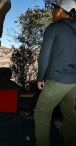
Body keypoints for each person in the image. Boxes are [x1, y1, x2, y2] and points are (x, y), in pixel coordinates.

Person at [34, 0, 76, 146]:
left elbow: (44, 56)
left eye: (54, 8)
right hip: (74, 83)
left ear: (60, 10)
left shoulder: (54, 28)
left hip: (57, 80)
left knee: (41, 113)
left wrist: (40, 77)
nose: (52, 11)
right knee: (70, 116)